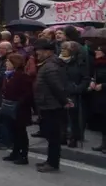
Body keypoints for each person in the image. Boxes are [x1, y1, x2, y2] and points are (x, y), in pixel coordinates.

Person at [33, 38, 72, 173]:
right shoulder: (48, 64)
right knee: (51, 135)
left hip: (52, 106)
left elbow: (56, 87)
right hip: (48, 104)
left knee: (53, 136)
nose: (37, 52)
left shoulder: (50, 66)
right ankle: (50, 160)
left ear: (48, 52)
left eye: (40, 50)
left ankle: (53, 163)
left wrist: (64, 101)